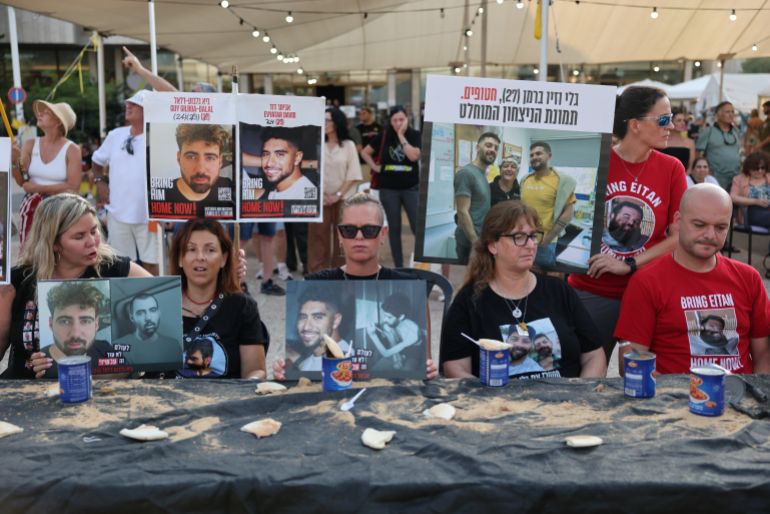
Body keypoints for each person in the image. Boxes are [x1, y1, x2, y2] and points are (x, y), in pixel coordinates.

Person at [568, 86, 687, 362]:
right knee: (584, 372)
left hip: (649, 292)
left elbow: (679, 236)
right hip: (593, 289)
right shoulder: (596, 161)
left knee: (644, 376)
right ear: (635, 125)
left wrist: (629, 264)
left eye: (671, 118)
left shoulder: (672, 168)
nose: (671, 126)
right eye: (663, 119)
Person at [273, 192, 437, 379]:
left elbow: (425, 363)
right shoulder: (315, 284)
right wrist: (285, 371)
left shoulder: (411, 285)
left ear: (383, 234)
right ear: (340, 235)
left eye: (369, 230)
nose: (359, 237)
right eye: (349, 230)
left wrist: (429, 369)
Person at [441, 201, 606, 380]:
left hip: (566, 396)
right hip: (498, 398)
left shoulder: (558, 290)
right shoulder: (470, 301)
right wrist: (487, 395)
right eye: (518, 237)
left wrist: (580, 391)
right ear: (493, 245)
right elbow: (455, 367)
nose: (530, 245)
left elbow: (594, 355)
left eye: (533, 236)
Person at [614, 184, 770, 374]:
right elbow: (631, 363)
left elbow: (763, 356)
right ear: (678, 221)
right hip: (672, 392)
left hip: (739, 390)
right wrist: (678, 390)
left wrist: (757, 391)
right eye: (699, 225)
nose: (710, 235)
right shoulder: (647, 282)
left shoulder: (748, 278)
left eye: (720, 227)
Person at [0, 193, 152, 379]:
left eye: (94, 231)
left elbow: (164, 307)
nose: (92, 241)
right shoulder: (19, 280)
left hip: (101, 391)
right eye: (79, 236)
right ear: (54, 243)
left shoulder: (116, 269)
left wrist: (123, 363)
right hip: (25, 388)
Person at [170, 219, 266, 379]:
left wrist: (249, 383)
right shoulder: (161, 305)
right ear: (180, 258)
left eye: (210, 250)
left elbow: (256, 370)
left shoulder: (243, 306)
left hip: (229, 395)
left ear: (224, 258)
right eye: (191, 249)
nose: (200, 257)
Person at [92, 90, 162, 275]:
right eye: (128, 103)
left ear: (148, 110)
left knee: (151, 262)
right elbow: (97, 161)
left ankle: (153, 292)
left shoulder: (157, 136)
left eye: (135, 104)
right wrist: (100, 182)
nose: (128, 106)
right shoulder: (115, 135)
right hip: (118, 212)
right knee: (120, 265)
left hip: (149, 214)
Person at [11, 99, 81, 246]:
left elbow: (73, 187)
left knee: (55, 250)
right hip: (32, 207)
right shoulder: (30, 144)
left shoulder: (72, 149)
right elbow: (23, 181)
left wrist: (38, 188)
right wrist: (16, 161)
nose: (40, 114)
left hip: (60, 209)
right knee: (29, 250)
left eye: (47, 113)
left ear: (58, 122)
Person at [360, 106, 421, 268]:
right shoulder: (384, 135)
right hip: (388, 189)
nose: (398, 123)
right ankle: (399, 266)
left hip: (410, 188)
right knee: (394, 228)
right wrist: (375, 167)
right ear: (390, 121)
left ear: (407, 119)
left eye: (401, 119)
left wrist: (401, 135)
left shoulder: (414, 135)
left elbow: (413, 156)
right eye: (395, 120)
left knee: (417, 227)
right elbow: (365, 152)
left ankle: (422, 263)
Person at [308, 107, 362, 273]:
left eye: (327, 120)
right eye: (323, 120)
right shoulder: (316, 143)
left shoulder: (348, 145)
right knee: (317, 237)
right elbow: (310, 171)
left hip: (344, 199)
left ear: (336, 122)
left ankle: (341, 274)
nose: (324, 123)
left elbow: (353, 174)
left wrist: (337, 195)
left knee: (342, 238)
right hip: (320, 198)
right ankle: (318, 273)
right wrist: (323, 194)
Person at [520, 141, 577, 269]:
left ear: (549, 156)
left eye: (538, 153)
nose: (534, 157)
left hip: (545, 242)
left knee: (544, 274)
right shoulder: (525, 180)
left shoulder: (562, 181)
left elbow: (568, 213)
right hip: (523, 239)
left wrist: (548, 239)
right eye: (532, 155)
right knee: (525, 272)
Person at [39, 281, 112, 377]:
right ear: (51, 324)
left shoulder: (105, 349)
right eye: (64, 321)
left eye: (85, 321)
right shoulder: (37, 364)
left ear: (97, 324)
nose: (75, 334)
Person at [165, 124, 234, 217]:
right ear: (179, 158)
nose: (201, 170)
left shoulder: (228, 186)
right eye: (191, 157)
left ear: (220, 161)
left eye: (210, 158)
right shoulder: (163, 196)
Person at [454, 132, 499, 264]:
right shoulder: (466, 173)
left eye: (496, 148)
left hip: (481, 239)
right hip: (469, 243)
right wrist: (475, 242)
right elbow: (462, 211)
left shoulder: (482, 175)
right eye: (488, 145)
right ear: (478, 148)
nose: (493, 150)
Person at [286, 286, 351, 372]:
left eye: (317, 317)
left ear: (336, 321)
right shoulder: (317, 354)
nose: (306, 327)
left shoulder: (341, 363)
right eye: (303, 317)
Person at [115, 293, 181, 366]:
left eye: (153, 310)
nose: (148, 318)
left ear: (158, 313)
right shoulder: (118, 346)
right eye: (140, 313)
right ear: (132, 318)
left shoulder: (173, 345)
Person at [366, 292, 422, 372]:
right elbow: (393, 344)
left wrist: (372, 335)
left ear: (401, 317)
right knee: (374, 370)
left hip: (413, 354)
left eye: (389, 317)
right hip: (399, 350)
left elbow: (386, 353)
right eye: (385, 315)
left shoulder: (412, 332)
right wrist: (397, 359)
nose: (385, 320)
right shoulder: (390, 324)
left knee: (405, 374)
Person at [259, 127, 318, 200]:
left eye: (280, 154)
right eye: (266, 154)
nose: (269, 163)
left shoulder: (306, 196)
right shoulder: (275, 188)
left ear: (297, 157)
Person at [695, 101, 741, 191]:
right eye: (727, 112)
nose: (731, 115)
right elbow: (697, 153)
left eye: (732, 112)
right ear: (717, 115)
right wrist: (705, 172)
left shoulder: (736, 131)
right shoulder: (708, 131)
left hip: (735, 176)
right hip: (716, 177)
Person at [729, 151, 770, 229]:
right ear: (749, 168)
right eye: (756, 168)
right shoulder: (739, 179)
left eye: (762, 168)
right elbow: (732, 197)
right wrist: (756, 201)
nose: (760, 171)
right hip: (751, 213)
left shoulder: (768, 177)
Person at [660, 107, 696, 174]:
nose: (683, 123)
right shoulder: (661, 141)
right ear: (670, 122)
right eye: (679, 120)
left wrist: (684, 177)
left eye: (684, 120)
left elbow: (691, 167)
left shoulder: (690, 143)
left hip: (683, 177)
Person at [356, 105, 381, 182]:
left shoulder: (379, 127)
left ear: (370, 114)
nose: (361, 115)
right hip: (362, 162)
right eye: (360, 114)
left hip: (376, 161)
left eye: (364, 113)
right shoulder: (357, 128)